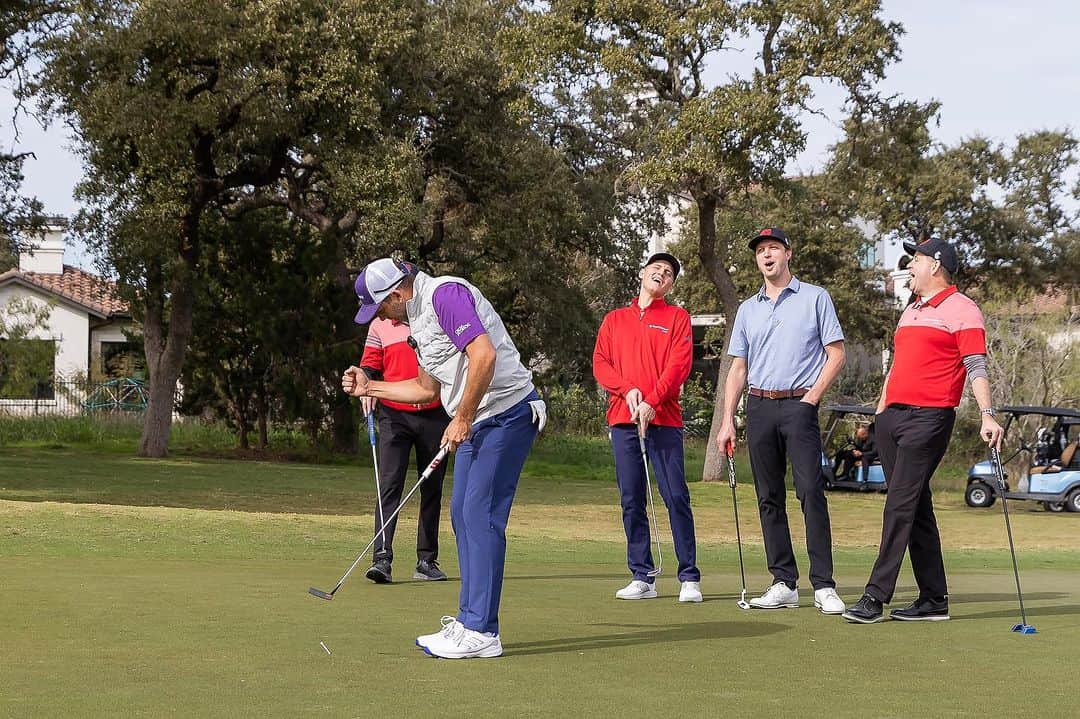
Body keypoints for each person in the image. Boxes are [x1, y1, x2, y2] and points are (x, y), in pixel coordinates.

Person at [342, 257, 546, 659]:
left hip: (507, 412)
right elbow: (424, 390)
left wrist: (463, 417)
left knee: (479, 514)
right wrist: (371, 386)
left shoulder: (445, 295)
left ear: (396, 293)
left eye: (381, 307)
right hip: (476, 420)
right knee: (460, 513)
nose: (380, 316)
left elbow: (484, 356)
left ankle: (484, 630)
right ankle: (469, 621)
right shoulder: (416, 323)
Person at [843, 237, 1004, 624]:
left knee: (899, 505)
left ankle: (874, 596)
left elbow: (975, 365)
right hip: (892, 418)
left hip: (928, 419)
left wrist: (987, 414)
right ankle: (934, 599)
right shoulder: (911, 309)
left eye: (914, 259)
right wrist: (880, 410)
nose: (909, 265)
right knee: (916, 508)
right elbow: (898, 365)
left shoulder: (963, 309)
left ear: (934, 265)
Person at [714, 227, 847, 615]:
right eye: (760, 251)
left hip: (799, 406)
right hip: (759, 407)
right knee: (768, 497)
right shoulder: (747, 309)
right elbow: (738, 368)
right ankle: (783, 582)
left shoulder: (815, 298)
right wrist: (728, 420)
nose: (766, 255)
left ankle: (823, 585)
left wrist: (811, 400)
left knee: (810, 493)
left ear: (789, 253)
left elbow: (836, 353)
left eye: (773, 248)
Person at [593, 252, 702, 603]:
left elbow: (678, 365)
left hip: (663, 419)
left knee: (675, 496)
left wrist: (652, 401)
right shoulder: (614, 319)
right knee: (631, 498)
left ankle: (689, 577)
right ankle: (642, 575)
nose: (661, 273)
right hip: (624, 419)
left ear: (670, 284)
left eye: (668, 272)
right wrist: (628, 391)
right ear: (643, 274)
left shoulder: (677, 317)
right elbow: (601, 363)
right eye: (656, 268)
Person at [359, 310, 451, 584]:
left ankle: (426, 560)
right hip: (393, 416)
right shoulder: (379, 325)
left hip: (434, 413)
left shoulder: (435, 320)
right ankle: (382, 558)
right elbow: (371, 364)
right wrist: (366, 384)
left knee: (431, 486)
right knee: (389, 485)